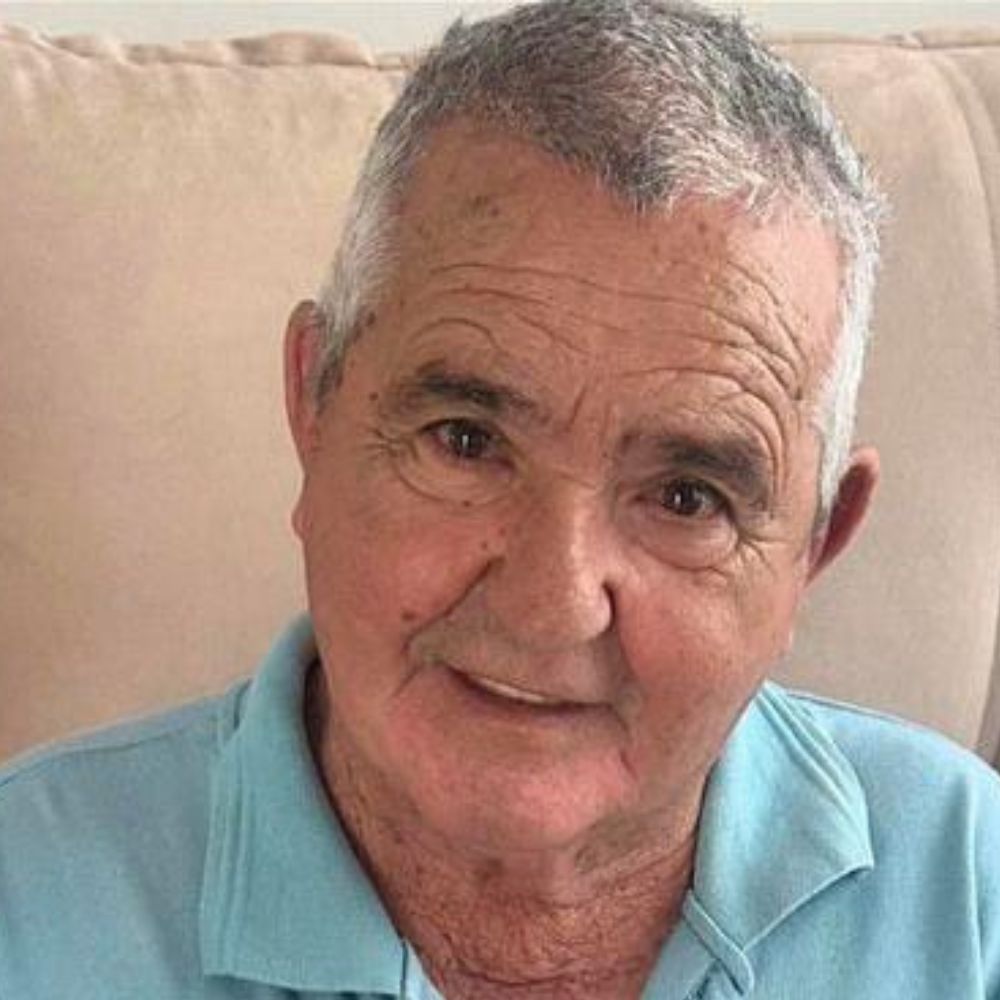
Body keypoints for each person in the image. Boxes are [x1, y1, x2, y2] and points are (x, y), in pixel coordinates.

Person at [2, 0, 999, 997]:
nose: (549, 606)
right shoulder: (25, 902)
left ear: (816, 547)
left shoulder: (969, 889)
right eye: (467, 442)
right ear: (314, 404)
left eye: (686, 498)